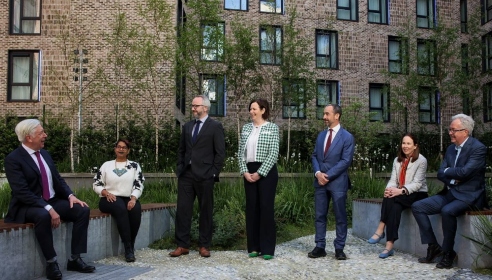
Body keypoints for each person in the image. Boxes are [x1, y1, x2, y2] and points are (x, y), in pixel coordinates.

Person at [4, 119, 95, 280]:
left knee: (82, 210)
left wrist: (70, 196)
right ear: (28, 137)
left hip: (51, 200)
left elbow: (57, 179)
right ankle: (51, 262)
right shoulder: (13, 159)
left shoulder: (45, 154)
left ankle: (75, 259)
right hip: (28, 205)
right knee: (43, 215)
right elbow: (22, 192)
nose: (45, 135)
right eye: (41, 133)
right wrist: (49, 209)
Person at [412, 114, 487, 269]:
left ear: (465, 131)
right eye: (450, 129)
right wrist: (452, 177)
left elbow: (465, 172)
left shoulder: (478, 148)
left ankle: (448, 253)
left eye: (454, 130)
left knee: (447, 211)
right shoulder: (450, 149)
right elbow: (440, 173)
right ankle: (433, 246)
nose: (450, 133)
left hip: (469, 196)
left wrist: (449, 171)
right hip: (450, 193)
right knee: (418, 206)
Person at [170, 95, 226, 258]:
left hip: (205, 175)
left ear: (205, 108)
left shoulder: (215, 126)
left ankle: (204, 245)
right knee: (183, 210)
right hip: (186, 175)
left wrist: (213, 172)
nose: (193, 108)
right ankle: (182, 245)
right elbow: (181, 150)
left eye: (196, 106)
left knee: (205, 210)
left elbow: (220, 152)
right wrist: (180, 167)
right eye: (192, 105)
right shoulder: (187, 127)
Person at [367, 133, 428, 258]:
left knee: (393, 197)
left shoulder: (421, 160)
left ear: (415, 146)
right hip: (401, 195)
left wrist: (399, 191)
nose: (405, 146)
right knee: (393, 204)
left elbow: (417, 184)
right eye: (403, 143)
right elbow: (393, 180)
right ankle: (389, 246)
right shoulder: (397, 160)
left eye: (408, 143)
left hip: (417, 194)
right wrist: (389, 189)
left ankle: (380, 228)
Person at [309, 104, 355, 260]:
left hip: (337, 183)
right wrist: (317, 173)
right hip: (320, 182)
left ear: (337, 116)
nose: (324, 117)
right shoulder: (321, 136)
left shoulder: (347, 137)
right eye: (324, 114)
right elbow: (315, 156)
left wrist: (326, 176)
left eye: (327, 114)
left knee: (340, 217)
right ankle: (319, 246)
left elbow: (345, 161)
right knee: (320, 215)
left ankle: (339, 248)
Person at [238, 99, 279, 260]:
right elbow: (241, 152)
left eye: (254, 109)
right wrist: (244, 172)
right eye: (250, 109)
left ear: (263, 110)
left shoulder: (272, 128)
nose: (251, 111)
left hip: (266, 172)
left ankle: (267, 248)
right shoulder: (246, 128)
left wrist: (260, 173)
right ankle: (254, 247)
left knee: (266, 208)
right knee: (252, 209)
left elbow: (274, 153)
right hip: (249, 171)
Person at [93, 139, 145, 262]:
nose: (121, 149)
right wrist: (106, 193)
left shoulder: (134, 166)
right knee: (120, 207)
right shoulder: (107, 165)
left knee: (136, 208)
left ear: (128, 151)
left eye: (124, 147)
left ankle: (131, 245)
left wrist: (133, 198)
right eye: (118, 147)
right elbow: (96, 183)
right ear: (115, 149)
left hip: (128, 197)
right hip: (108, 198)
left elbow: (139, 184)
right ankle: (127, 248)